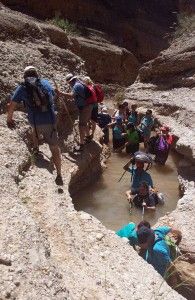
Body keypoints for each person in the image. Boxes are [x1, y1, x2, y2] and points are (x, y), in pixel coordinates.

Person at [7, 66, 63, 185]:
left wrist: (9, 119)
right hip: (50, 121)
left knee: (34, 131)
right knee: (54, 148)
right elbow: (53, 97)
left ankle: (36, 149)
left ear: (25, 75)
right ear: (36, 74)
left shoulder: (22, 87)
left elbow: (12, 104)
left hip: (35, 121)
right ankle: (59, 174)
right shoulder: (46, 83)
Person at [65, 73, 96, 151]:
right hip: (88, 106)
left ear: (70, 81)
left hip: (86, 107)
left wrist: (60, 93)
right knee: (84, 123)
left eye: (68, 83)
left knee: (81, 125)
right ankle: (88, 136)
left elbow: (72, 95)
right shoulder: (79, 83)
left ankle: (81, 144)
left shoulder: (76, 85)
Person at [82, 76, 98, 140]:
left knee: (87, 119)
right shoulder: (94, 86)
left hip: (90, 106)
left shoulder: (86, 88)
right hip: (96, 105)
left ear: (86, 81)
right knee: (93, 121)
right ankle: (92, 134)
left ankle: (87, 133)